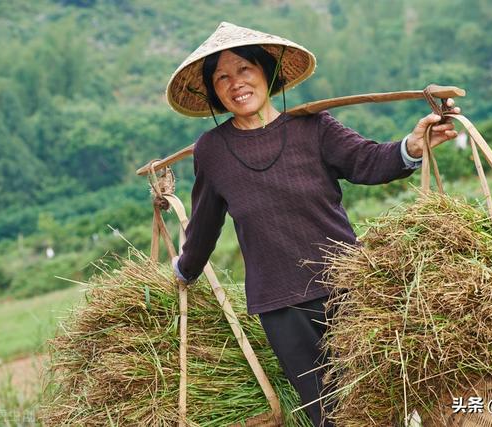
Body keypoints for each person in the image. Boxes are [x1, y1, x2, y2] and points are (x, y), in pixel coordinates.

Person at [166, 22, 460, 427]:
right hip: (281, 304)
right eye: (222, 77)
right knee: (328, 415)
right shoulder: (212, 150)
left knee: (381, 400)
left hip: (349, 288)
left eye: (244, 70)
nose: (236, 84)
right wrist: (184, 269)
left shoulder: (314, 127)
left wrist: (412, 146)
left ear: (265, 73)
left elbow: (369, 161)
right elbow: (204, 225)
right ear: (213, 92)